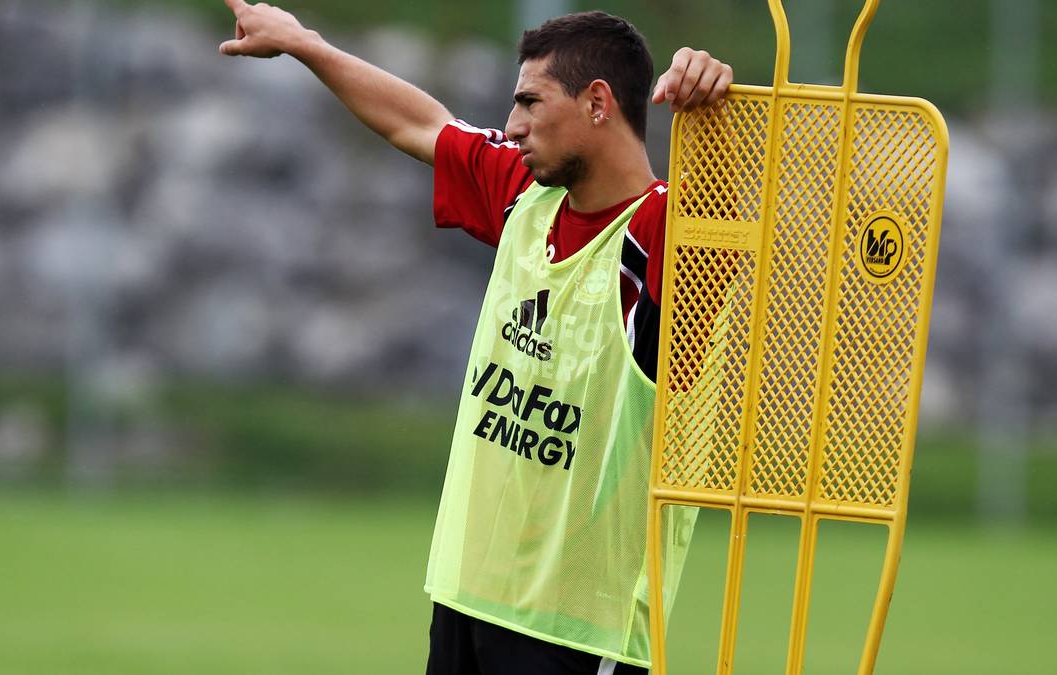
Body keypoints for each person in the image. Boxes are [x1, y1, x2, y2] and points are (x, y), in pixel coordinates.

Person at [218, 2, 733, 673]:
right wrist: (304, 44)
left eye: (529, 101)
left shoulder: (665, 234)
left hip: (577, 633)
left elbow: (749, 211)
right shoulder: (527, 196)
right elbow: (420, 122)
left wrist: (720, 113)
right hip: (466, 599)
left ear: (598, 103)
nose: (513, 125)